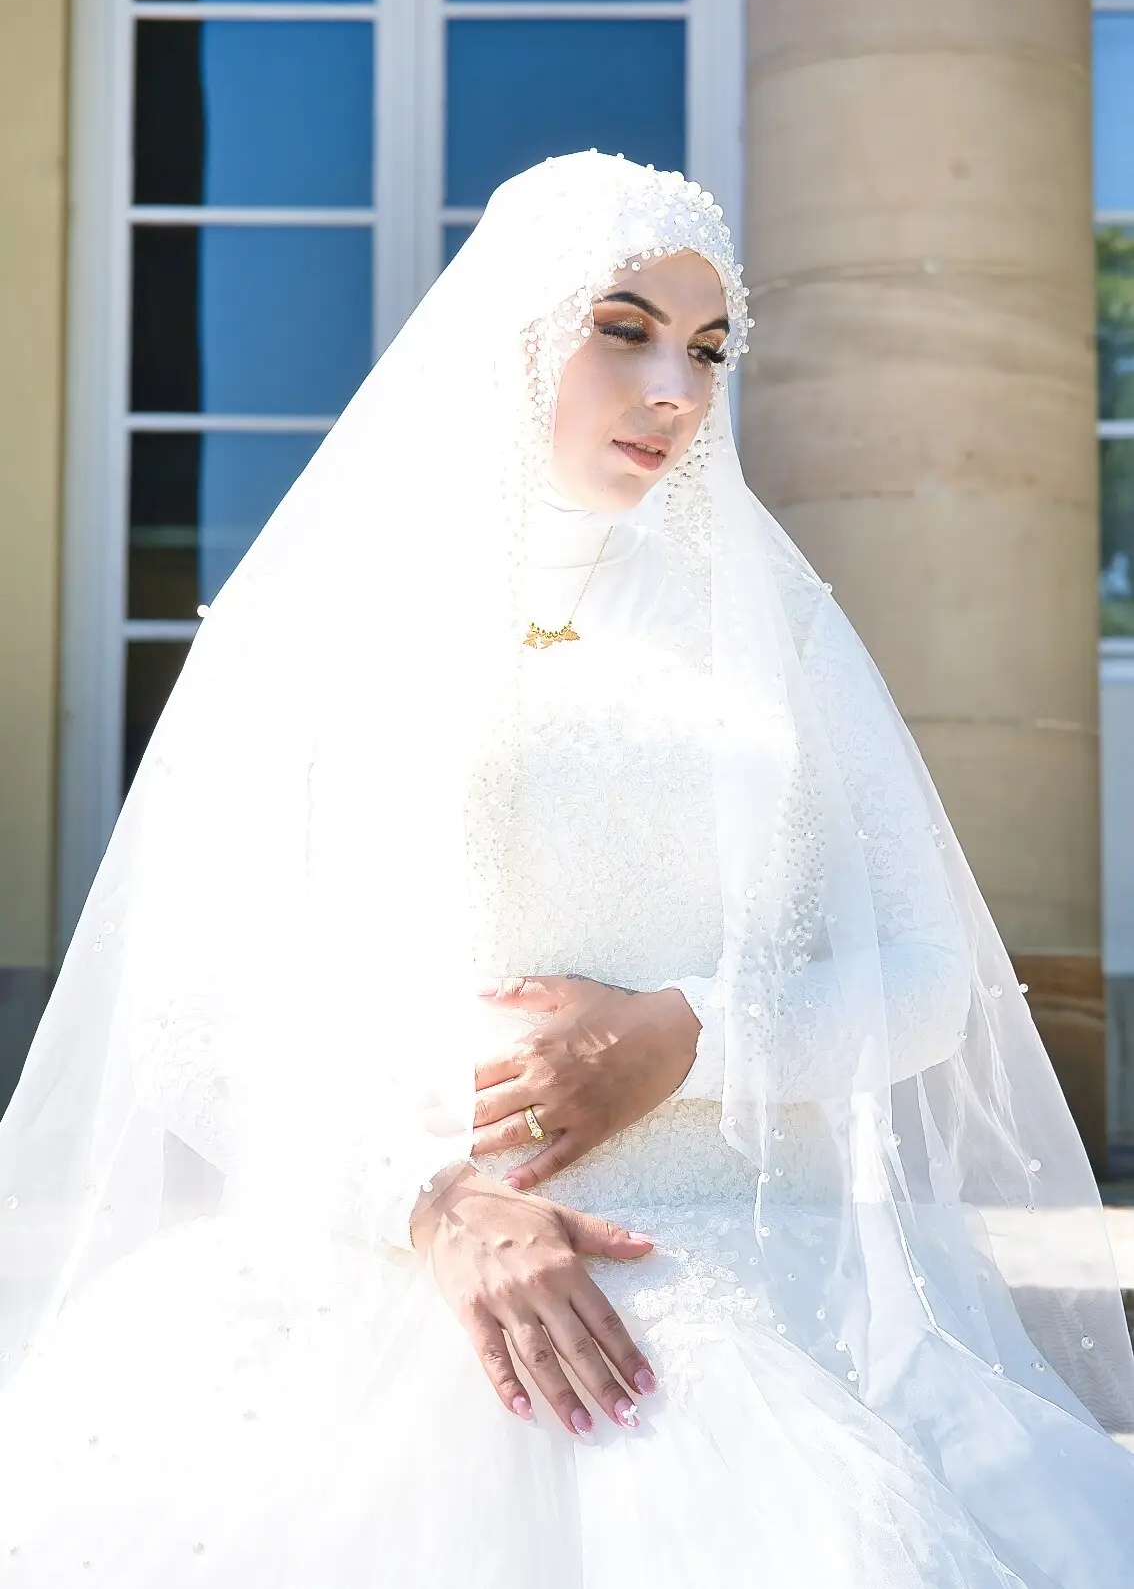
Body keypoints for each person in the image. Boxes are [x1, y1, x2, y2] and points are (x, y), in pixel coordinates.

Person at [0, 151, 1131, 1585]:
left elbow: (928, 977)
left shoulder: (775, 623)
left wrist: (692, 1038)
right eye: (623, 331)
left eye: (707, 351)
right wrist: (430, 1203)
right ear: (513, 332)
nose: (675, 390)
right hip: (397, 1273)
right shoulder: (319, 623)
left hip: (760, 1298)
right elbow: (187, 1017)